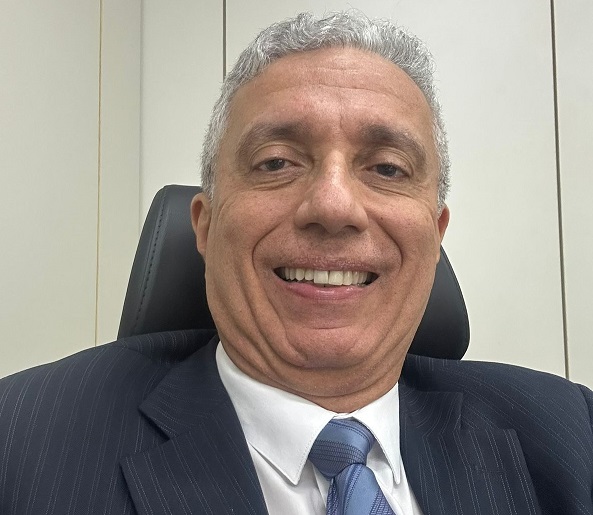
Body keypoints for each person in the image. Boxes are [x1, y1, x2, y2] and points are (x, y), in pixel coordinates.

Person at [0, 11, 591, 515]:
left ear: (435, 238)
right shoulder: (20, 447)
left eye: (387, 168)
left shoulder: (572, 432)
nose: (333, 206)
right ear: (205, 225)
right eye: (277, 162)